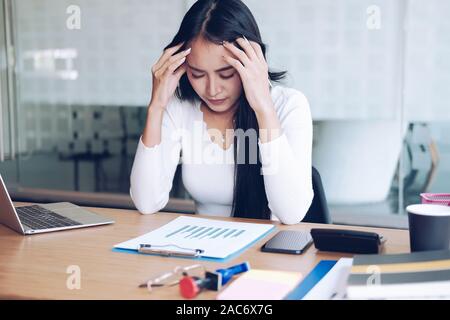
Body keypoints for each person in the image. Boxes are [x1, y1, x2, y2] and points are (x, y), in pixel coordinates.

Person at [130, 0, 313, 224]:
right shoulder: (179, 108)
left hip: (267, 252)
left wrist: (264, 108)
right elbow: (146, 202)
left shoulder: (290, 105)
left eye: (226, 74)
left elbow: (291, 213)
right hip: (203, 249)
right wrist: (156, 106)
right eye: (197, 74)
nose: (212, 90)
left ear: (251, 62)